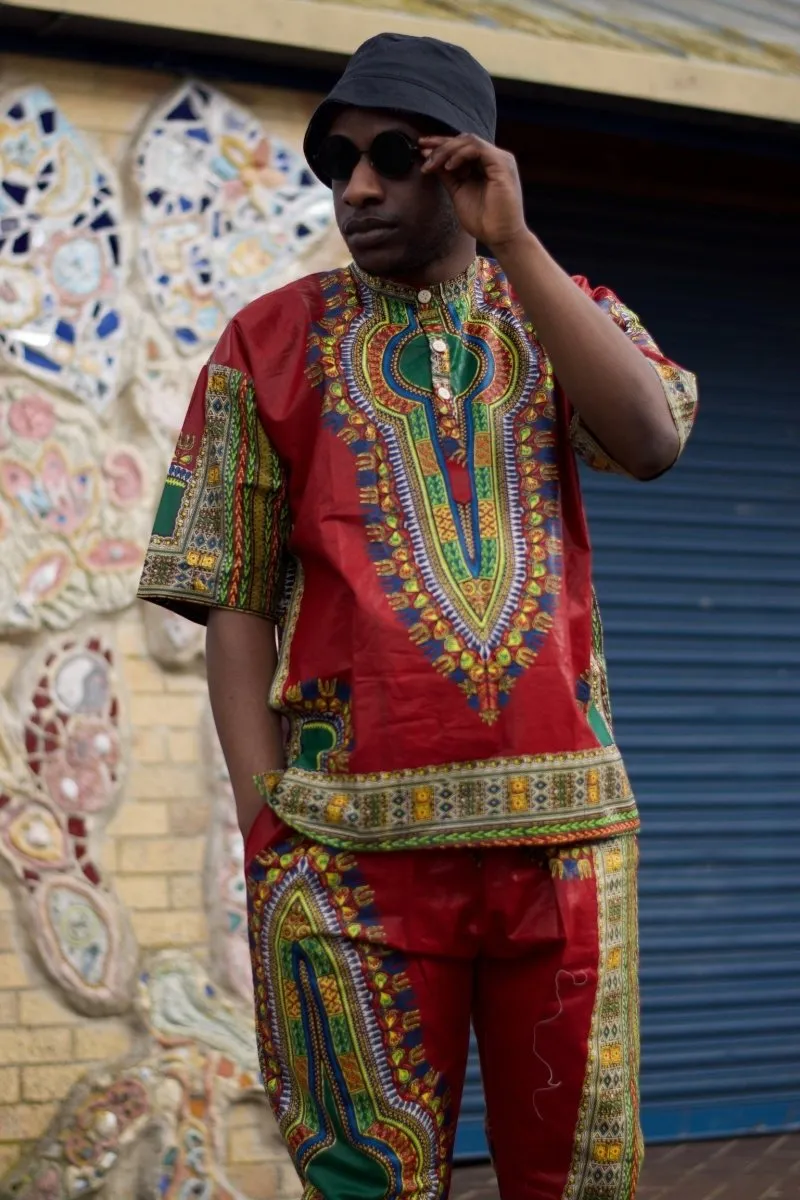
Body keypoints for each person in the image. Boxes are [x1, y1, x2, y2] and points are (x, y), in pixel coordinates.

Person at [138, 31, 697, 1200]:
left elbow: (646, 439)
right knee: (366, 1184)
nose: (357, 187)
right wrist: (263, 818)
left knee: (578, 1178)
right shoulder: (267, 342)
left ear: (466, 166)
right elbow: (229, 594)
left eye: (395, 155)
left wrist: (518, 244)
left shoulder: (560, 315)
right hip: (345, 857)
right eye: (335, 161)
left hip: (562, 843)